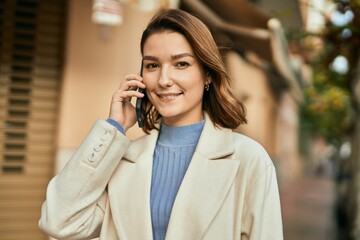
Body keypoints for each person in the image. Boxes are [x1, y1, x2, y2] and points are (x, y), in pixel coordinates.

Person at [39, 9, 283, 240]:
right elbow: (59, 222)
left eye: (181, 64)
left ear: (207, 74)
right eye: (152, 65)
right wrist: (113, 128)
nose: (164, 80)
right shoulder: (122, 159)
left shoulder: (249, 159)